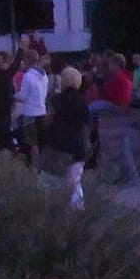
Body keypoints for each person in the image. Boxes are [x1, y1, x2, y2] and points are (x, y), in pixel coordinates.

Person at [46, 66, 90, 209]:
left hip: (59, 145)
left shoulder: (56, 100)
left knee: (52, 181)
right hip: (78, 146)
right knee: (75, 182)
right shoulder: (83, 101)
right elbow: (86, 124)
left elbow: (48, 120)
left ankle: (54, 210)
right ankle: (77, 212)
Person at [12, 52, 49, 168]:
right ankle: (42, 165)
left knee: (32, 143)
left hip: (29, 113)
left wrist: (13, 95)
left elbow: (23, 96)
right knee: (41, 142)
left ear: (27, 60)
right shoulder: (44, 76)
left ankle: (34, 167)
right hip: (42, 111)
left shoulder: (28, 76)